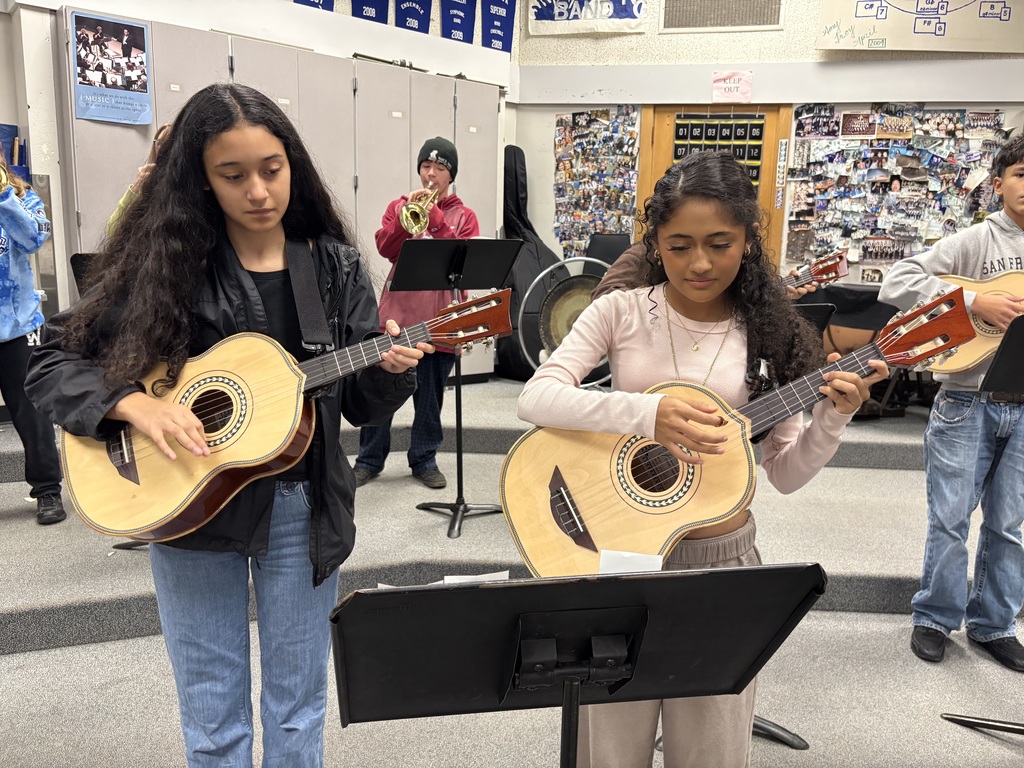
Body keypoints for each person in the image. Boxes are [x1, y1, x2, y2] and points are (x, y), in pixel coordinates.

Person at [25, 83, 428, 766]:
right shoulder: (163, 263)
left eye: (272, 168)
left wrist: (391, 369)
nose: (259, 191)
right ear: (201, 180)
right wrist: (136, 404)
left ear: (291, 162)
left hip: (302, 505)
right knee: (214, 717)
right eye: (232, 175)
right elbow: (50, 363)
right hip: (188, 509)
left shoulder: (329, 264)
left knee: (298, 712)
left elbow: (358, 406)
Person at [517, 151, 887, 767]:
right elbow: (537, 396)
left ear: (748, 239)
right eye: (679, 244)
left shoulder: (771, 334)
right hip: (621, 554)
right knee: (607, 748)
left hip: (722, 560)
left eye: (720, 243)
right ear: (655, 243)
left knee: (711, 750)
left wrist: (833, 417)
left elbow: (786, 475)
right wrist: (645, 414)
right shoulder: (620, 310)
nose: (700, 263)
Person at [879, 134, 1024, 673]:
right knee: (950, 518)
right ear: (999, 183)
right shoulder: (975, 240)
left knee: (1010, 524)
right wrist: (974, 299)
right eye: (1021, 174)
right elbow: (898, 280)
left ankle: (995, 625)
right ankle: (935, 618)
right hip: (966, 400)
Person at [353, 137, 479, 490]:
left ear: (451, 175)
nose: (431, 174)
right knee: (381, 393)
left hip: (440, 322)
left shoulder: (464, 216)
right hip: (396, 318)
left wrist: (436, 220)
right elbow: (384, 247)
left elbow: (463, 259)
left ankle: (424, 459)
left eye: (440, 168)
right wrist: (404, 220)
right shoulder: (401, 206)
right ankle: (368, 460)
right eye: (426, 166)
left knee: (430, 398)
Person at [0, 155, 66, 525]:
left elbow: (32, 239)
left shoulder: (24, 198)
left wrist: (3, 197)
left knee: (32, 413)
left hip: (18, 328)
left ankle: (47, 491)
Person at [106, 123, 172, 235]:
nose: (162, 149)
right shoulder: (147, 181)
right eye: (159, 144)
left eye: (168, 144)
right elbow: (113, 229)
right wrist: (135, 188)